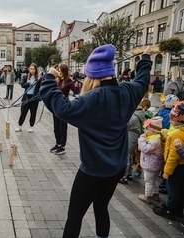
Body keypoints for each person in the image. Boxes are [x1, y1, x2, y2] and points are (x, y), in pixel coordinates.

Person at [39, 45, 153, 238]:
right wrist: (145, 58)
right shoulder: (128, 91)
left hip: (93, 171)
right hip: (116, 168)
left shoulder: (90, 100)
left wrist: (49, 79)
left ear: (91, 74)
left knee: (74, 215)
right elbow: (142, 80)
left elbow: (62, 108)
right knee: (101, 207)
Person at [153, 102, 184, 220]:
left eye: (172, 119)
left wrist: (167, 172)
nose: (170, 121)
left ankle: (169, 208)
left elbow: (173, 156)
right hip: (181, 166)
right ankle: (178, 209)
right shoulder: (180, 132)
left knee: (173, 188)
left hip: (176, 167)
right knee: (180, 188)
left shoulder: (177, 135)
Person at [48, 64, 76, 154]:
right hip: (56, 105)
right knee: (56, 126)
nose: (59, 73)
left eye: (60, 71)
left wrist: (76, 85)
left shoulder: (68, 80)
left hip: (64, 105)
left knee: (62, 127)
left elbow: (75, 90)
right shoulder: (57, 81)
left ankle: (63, 146)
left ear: (64, 71)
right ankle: (58, 143)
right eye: (58, 71)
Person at [137, 116, 164, 204]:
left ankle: (147, 196)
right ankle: (155, 194)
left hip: (150, 165)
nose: (145, 131)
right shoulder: (155, 138)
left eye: (146, 129)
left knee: (148, 181)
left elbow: (145, 149)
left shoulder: (154, 141)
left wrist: (141, 139)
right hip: (155, 164)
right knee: (154, 180)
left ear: (153, 131)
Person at [14, 63, 42, 133]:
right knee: (23, 112)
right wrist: (29, 84)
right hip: (26, 97)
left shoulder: (38, 78)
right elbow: (22, 85)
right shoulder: (26, 76)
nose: (32, 70)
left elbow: (41, 87)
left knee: (33, 112)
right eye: (31, 69)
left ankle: (31, 126)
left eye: (33, 69)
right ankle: (19, 125)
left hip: (34, 98)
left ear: (36, 70)